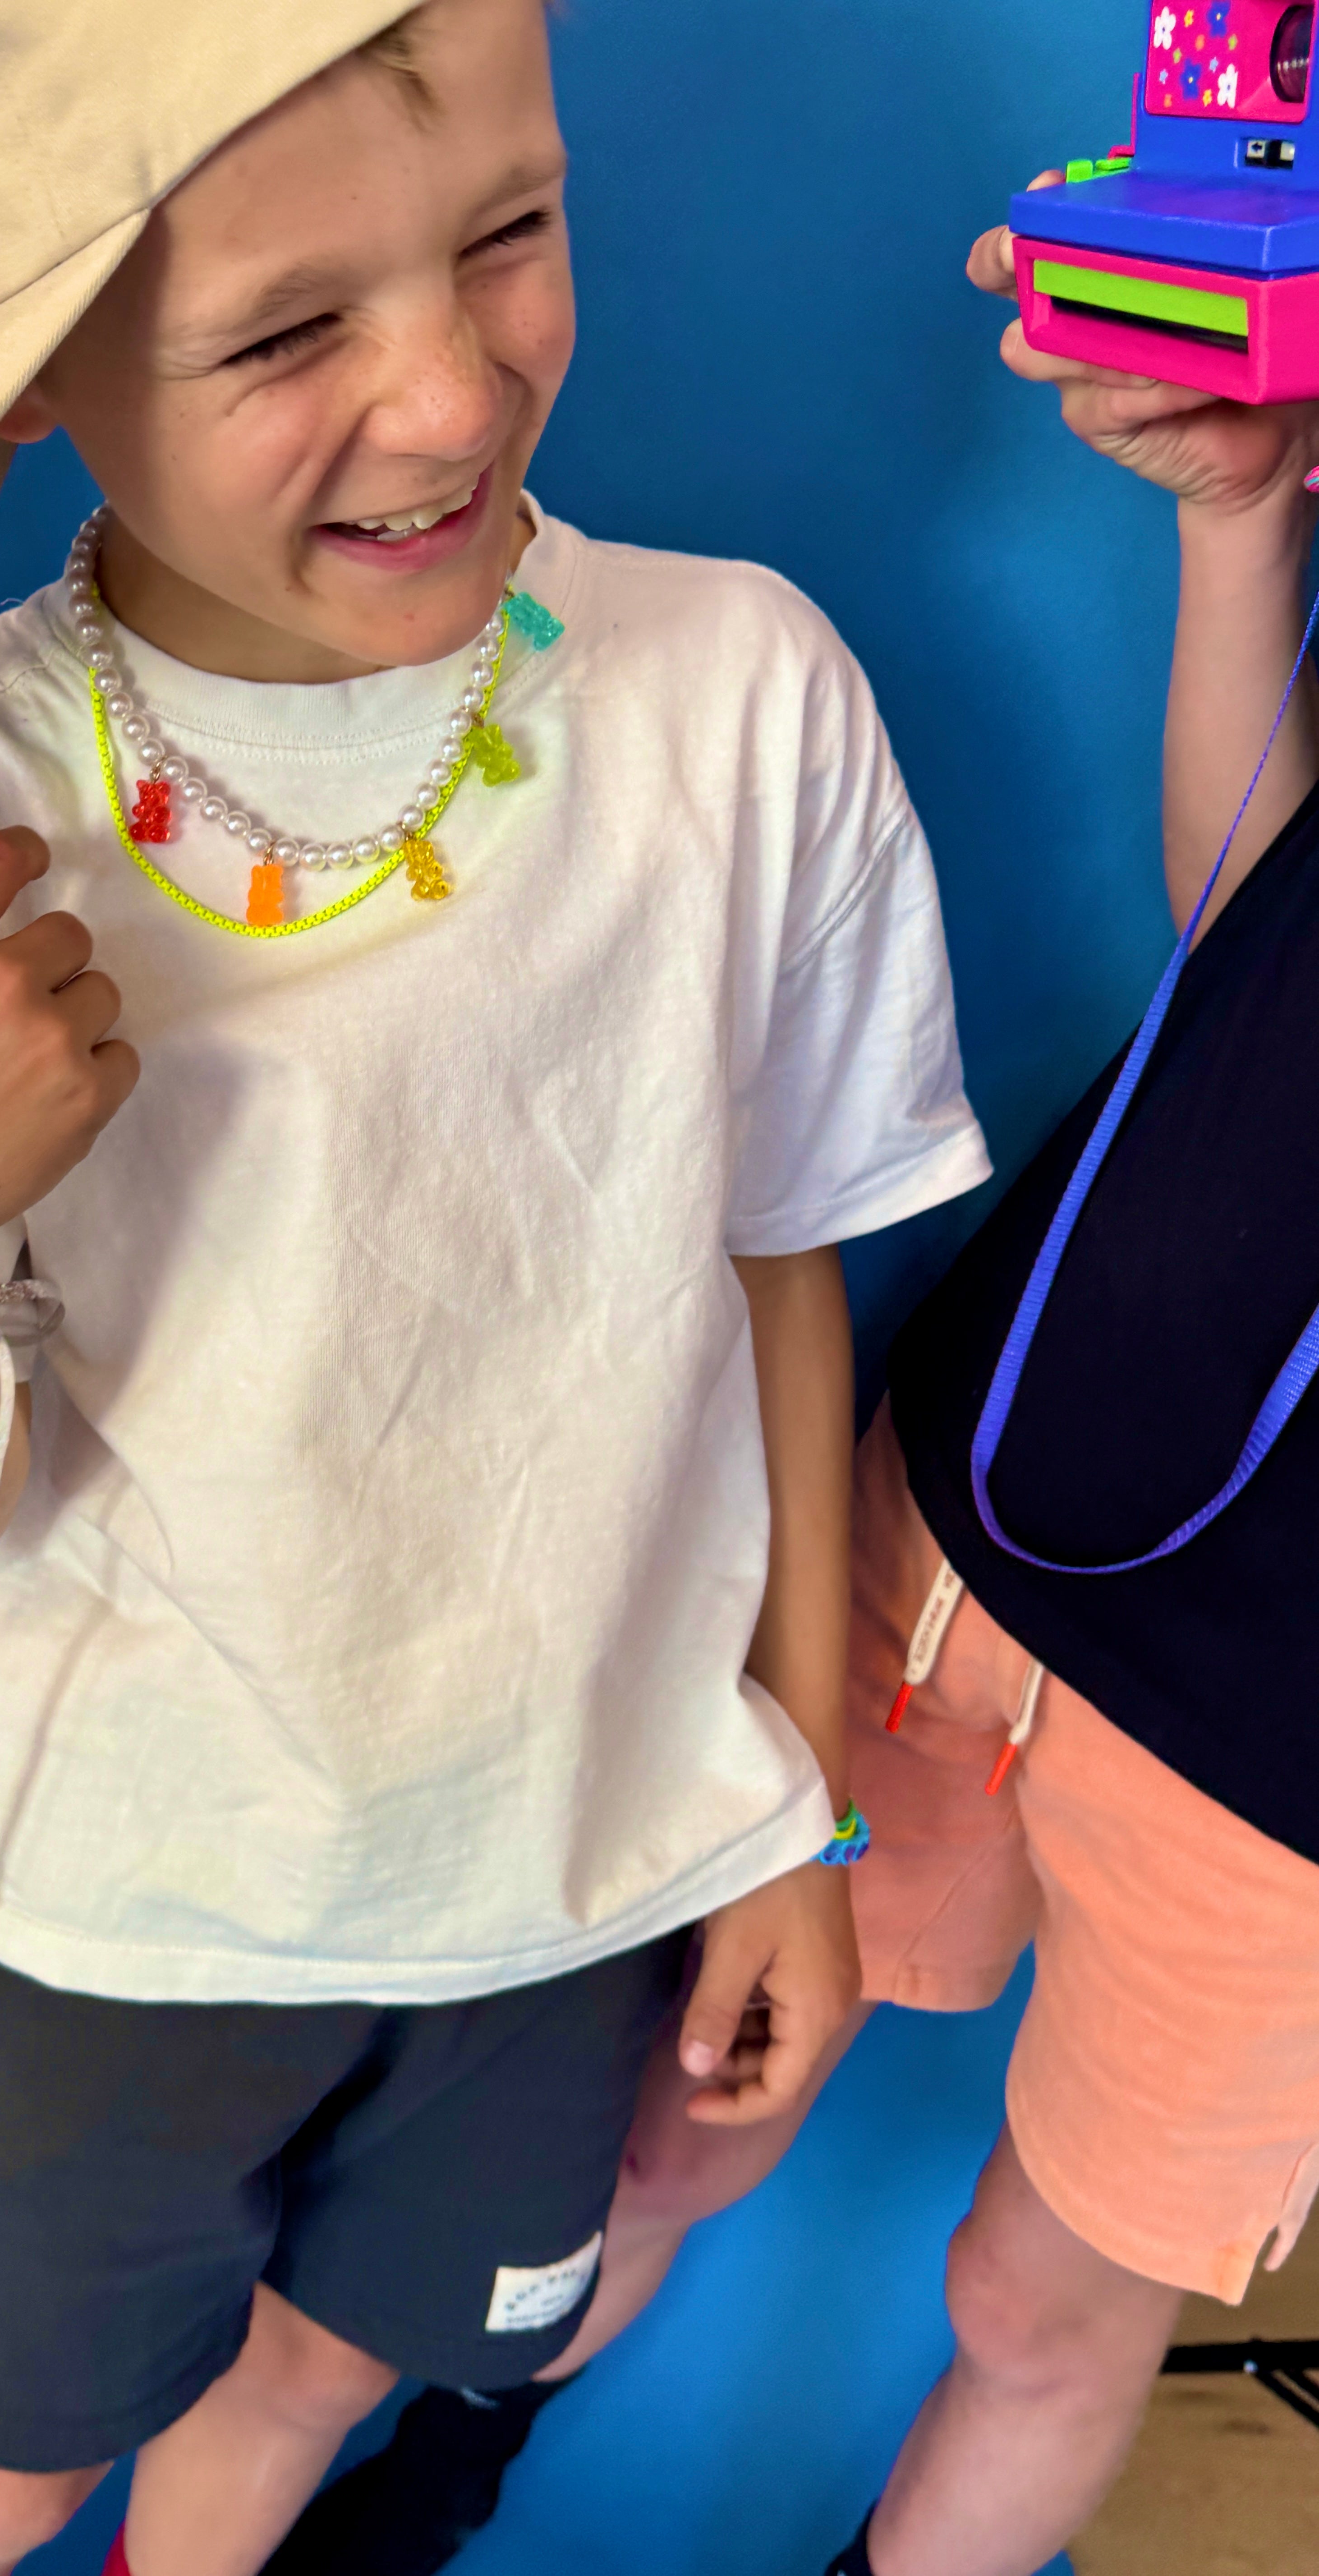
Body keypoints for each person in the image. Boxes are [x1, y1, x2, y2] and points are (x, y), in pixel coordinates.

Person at [0, 5, 990, 2571]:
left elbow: (778, 1266)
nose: (443, 396)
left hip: (570, 1878)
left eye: (512, 230)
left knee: (307, 2391)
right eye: (286, 331)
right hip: (136, 1900)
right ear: (42, 373)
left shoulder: (744, 702)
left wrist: (790, 1815)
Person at [274, 168, 1319, 2576]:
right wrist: (1244, 528)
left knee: (1042, 2309)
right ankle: (421, 2500)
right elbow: (1247, 924)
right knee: (667, 2105)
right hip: (965, 1506)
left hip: (1276, 1773)